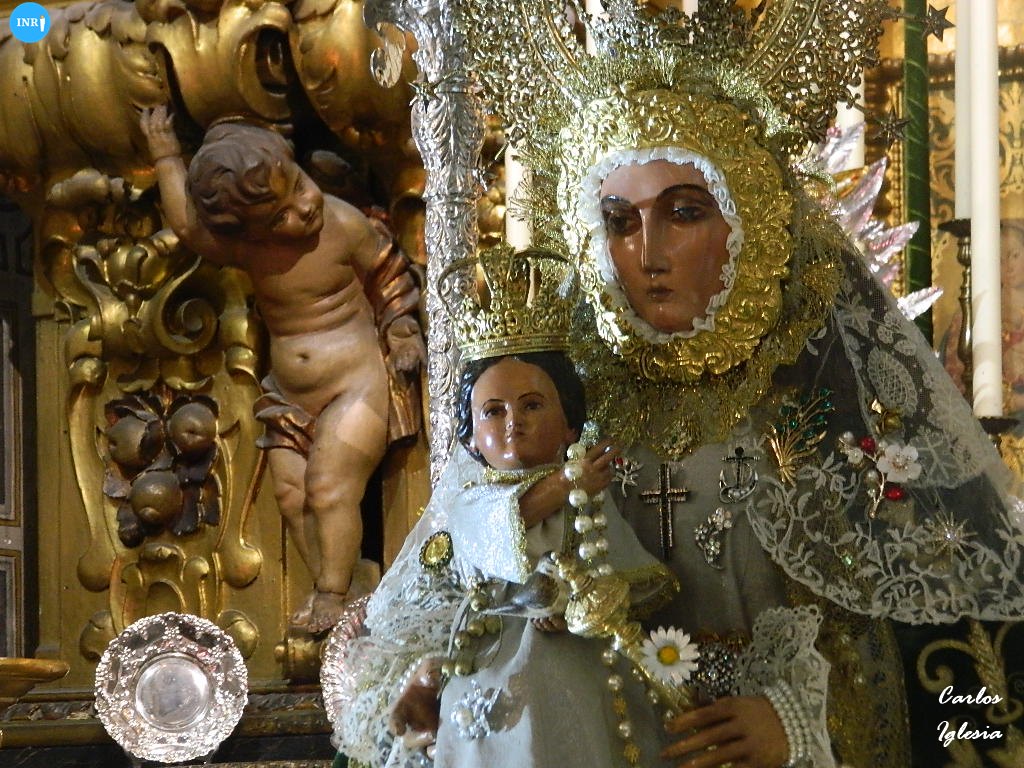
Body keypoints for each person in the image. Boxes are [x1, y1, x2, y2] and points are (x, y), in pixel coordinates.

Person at [426, 1, 1024, 766]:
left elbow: (965, 667)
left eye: (683, 213)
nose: (647, 253)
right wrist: (429, 673)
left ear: (751, 222)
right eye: (619, 221)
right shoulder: (552, 402)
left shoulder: (831, 398)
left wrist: (807, 724)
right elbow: (444, 581)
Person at [328, 247, 685, 767]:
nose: (513, 423)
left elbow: (623, 571)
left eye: (532, 405)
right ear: (472, 439)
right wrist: (567, 481)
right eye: (493, 412)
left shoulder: (589, 498)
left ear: (570, 424)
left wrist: (589, 601)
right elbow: (500, 527)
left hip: (579, 663)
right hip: (491, 666)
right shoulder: (475, 500)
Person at [140, 106, 426, 633]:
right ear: (249, 231)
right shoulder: (250, 251)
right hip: (287, 396)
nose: (304, 206)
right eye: (279, 217)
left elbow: (388, 273)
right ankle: (348, 579)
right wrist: (165, 156)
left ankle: (331, 594)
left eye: (298, 184)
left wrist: (402, 331)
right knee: (292, 498)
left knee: (328, 487)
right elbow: (186, 226)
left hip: (354, 385)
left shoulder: (342, 224)